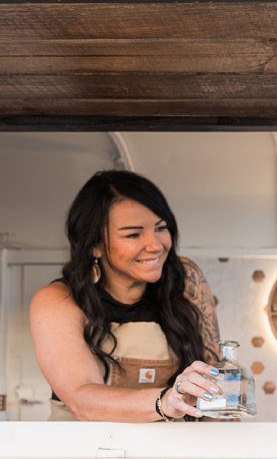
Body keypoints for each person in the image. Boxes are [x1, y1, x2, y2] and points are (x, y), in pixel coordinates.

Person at [30, 170, 223, 422]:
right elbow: (82, 400)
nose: (155, 245)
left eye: (161, 228)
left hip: (171, 454)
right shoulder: (58, 299)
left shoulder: (187, 279)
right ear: (94, 244)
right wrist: (165, 401)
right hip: (82, 454)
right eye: (133, 234)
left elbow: (215, 388)